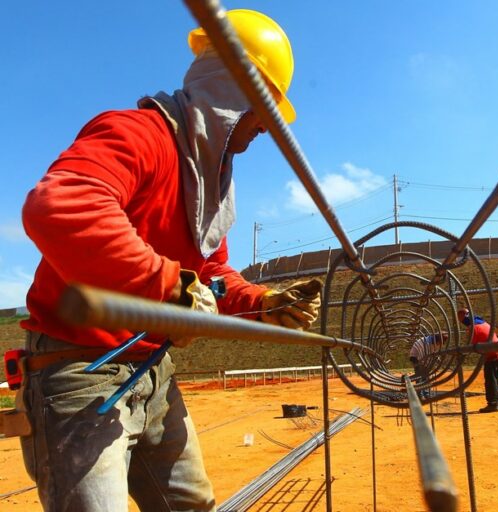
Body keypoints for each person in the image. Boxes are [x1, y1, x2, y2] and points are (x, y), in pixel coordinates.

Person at [17, 10, 320, 511]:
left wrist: (263, 301)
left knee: (192, 506)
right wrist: (168, 287)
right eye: (265, 107)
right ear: (232, 94)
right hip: (79, 371)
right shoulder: (138, 135)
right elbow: (62, 207)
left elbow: (211, 276)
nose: (267, 127)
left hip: (152, 370)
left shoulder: (207, 185)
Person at [458, 308, 498, 413]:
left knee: (491, 380)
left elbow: (472, 346)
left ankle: (493, 404)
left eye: (461, 320)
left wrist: (461, 352)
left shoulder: (473, 328)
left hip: (491, 354)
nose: (461, 322)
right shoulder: (483, 323)